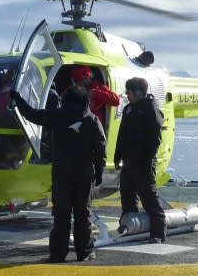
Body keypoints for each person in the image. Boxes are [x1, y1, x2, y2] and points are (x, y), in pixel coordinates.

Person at [10, 85, 106, 262]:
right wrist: (99, 171)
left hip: (62, 173)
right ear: (85, 101)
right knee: (83, 214)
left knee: (61, 214)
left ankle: (57, 254)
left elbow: (31, 114)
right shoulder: (92, 120)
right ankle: (84, 252)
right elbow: (100, 148)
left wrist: (18, 98)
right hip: (84, 173)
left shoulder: (56, 116)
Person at [114, 77, 167, 243]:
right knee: (127, 196)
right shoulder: (129, 109)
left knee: (149, 197)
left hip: (142, 162)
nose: (127, 95)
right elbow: (121, 134)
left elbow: (154, 139)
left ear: (138, 93)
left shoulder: (151, 111)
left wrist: (147, 160)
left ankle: (158, 232)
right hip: (128, 162)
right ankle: (131, 228)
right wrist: (117, 154)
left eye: (129, 92)